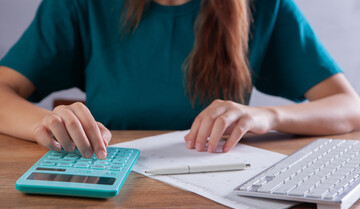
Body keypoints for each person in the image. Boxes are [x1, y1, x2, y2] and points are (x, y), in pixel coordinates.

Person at [0, 0, 359, 160]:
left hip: (222, 206)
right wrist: (45, 122)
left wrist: (268, 116)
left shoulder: (264, 6)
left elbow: (349, 106)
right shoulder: (79, 5)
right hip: (105, 198)